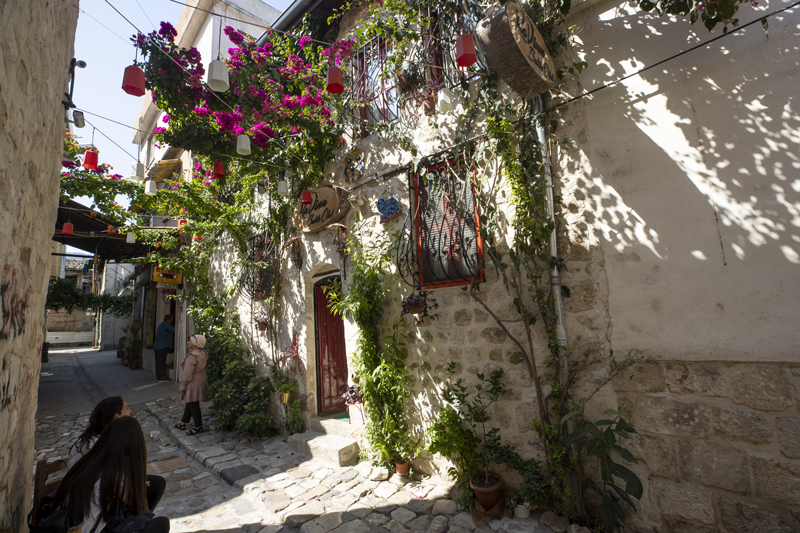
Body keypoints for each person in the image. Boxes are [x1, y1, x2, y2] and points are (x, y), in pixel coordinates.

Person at [53, 417, 170, 533]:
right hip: (85, 528)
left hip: (69, 521)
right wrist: (136, 484)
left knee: (156, 484)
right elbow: (135, 502)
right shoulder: (113, 473)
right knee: (160, 524)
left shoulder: (93, 459)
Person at [67, 397, 166, 514]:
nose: (129, 411)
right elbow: (116, 486)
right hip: (95, 500)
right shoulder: (105, 445)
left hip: (100, 489)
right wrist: (135, 484)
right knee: (146, 497)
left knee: (156, 483)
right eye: (126, 409)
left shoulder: (89, 438)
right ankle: (140, 523)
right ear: (117, 416)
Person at [175, 334, 208, 435]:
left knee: (193, 403)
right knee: (190, 401)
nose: (188, 342)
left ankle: (198, 426)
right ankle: (183, 422)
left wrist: (183, 385)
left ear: (195, 343)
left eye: (189, 341)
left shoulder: (192, 357)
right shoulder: (203, 353)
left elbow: (187, 373)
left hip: (192, 382)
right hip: (200, 379)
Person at [153, 314, 175, 382]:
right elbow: (175, 330)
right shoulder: (166, 325)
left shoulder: (162, 324)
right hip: (162, 346)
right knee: (161, 362)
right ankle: (162, 377)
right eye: (172, 320)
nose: (172, 321)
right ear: (169, 320)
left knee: (159, 362)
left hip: (158, 346)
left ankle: (159, 377)